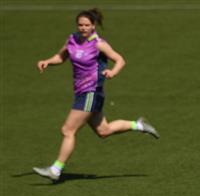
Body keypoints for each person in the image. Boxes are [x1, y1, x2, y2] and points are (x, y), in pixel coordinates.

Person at [33, 8, 159, 182]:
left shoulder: (98, 44)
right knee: (104, 131)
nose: (83, 28)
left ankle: (55, 169)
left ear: (93, 26)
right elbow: (61, 57)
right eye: (80, 25)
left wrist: (113, 72)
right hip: (80, 92)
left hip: (91, 92)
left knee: (68, 129)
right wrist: (47, 61)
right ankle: (138, 125)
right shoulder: (72, 40)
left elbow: (120, 59)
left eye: (87, 25)